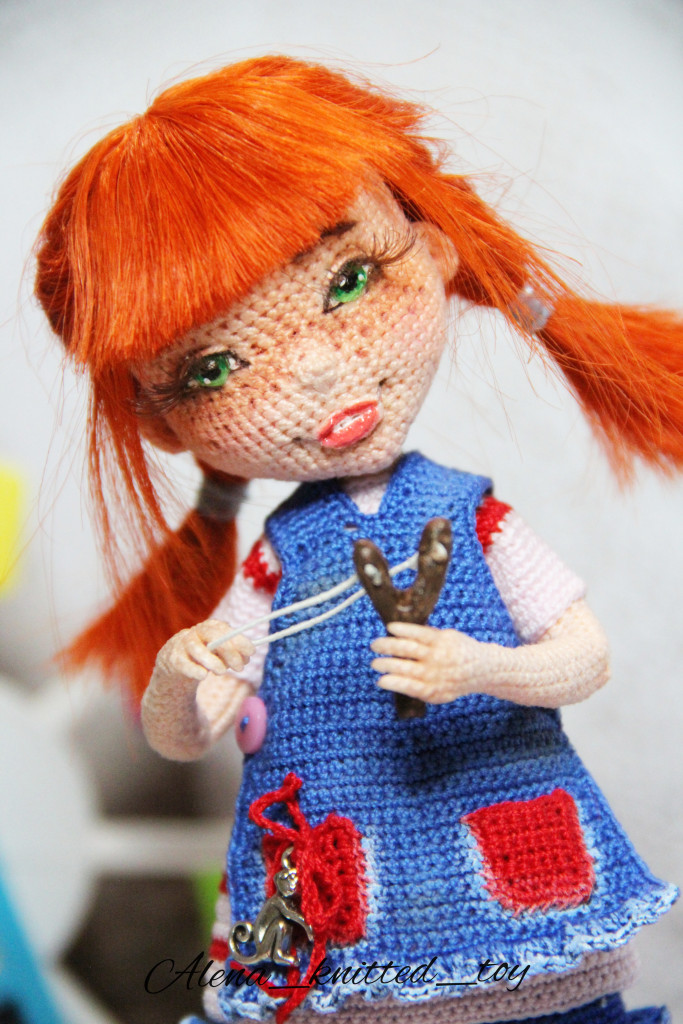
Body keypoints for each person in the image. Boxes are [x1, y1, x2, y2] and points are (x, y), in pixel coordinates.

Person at [34, 56, 682, 1024]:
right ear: (160, 424)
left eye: (347, 280)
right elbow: (185, 734)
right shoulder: (276, 562)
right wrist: (175, 674)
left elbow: (582, 657)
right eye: (214, 366)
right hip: (339, 923)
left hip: (506, 890)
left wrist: (481, 667)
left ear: (436, 252)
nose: (311, 369)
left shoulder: (474, 518)